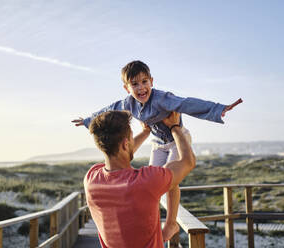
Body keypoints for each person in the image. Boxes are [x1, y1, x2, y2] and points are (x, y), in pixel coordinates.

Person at [73, 60, 242, 239]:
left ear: (152, 81)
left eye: (145, 82)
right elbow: (108, 111)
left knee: (171, 179)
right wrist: (87, 120)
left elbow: (187, 104)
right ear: (126, 88)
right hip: (158, 142)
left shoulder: (162, 99)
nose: (141, 88)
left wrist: (218, 109)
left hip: (178, 138)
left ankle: (171, 224)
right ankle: (152, 220)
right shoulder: (128, 104)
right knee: (154, 179)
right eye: (135, 84)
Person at [84, 110, 196, 248]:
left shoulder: (91, 179)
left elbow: (116, 154)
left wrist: (144, 133)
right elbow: (187, 162)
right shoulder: (146, 181)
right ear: (126, 144)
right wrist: (175, 127)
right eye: (131, 138)